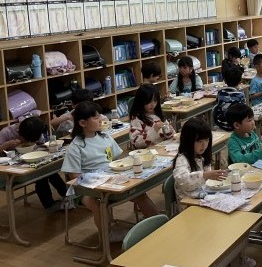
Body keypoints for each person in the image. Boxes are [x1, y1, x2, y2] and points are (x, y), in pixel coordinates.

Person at [62, 101, 159, 234]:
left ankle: (160, 225)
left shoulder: (105, 136)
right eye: (95, 118)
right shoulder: (76, 146)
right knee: (98, 205)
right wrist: (97, 182)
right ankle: (106, 237)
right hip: (85, 189)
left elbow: (117, 161)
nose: (100, 120)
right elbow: (75, 178)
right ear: (83, 123)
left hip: (109, 179)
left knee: (139, 194)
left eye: (99, 116)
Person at [0, 115, 67, 212]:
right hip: (11, 170)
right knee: (42, 175)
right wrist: (6, 145)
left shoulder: (34, 129)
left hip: (30, 162)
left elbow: (41, 143)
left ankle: (66, 195)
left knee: (48, 170)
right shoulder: (6, 132)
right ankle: (50, 204)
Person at [172, 116, 228, 203]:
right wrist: (205, 175)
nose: (204, 145)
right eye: (199, 141)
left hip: (202, 196)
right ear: (188, 141)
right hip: (188, 202)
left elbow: (206, 180)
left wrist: (213, 176)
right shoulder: (182, 159)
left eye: (207, 140)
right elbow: (183, 180)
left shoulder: (201, 155)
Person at [129, 83, 175, 149]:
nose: (153, 104)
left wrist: (169, 130)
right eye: (149, 101)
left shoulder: (157, 115)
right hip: (148, 152)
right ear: (141, 101)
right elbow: (137, 143)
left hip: (162, 148)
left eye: (155, 101)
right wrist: (154, 130)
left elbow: (170, 135)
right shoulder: (136, 119)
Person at [213, 66, 246, 132]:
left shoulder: (220, 92)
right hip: (234, 126)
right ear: (240, 81)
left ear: (225, 80)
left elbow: (217, 103)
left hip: (221, 124)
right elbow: (244, 111)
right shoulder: (240, 95)